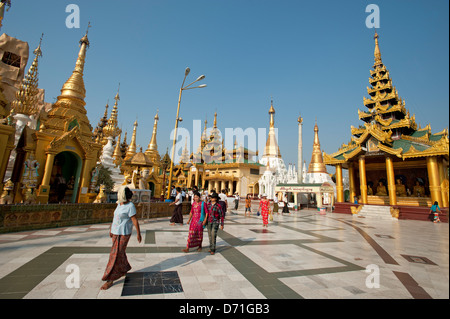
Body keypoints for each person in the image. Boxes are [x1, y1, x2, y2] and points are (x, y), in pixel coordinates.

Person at [101, 186, 142, 290]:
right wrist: (111, 229)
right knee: (120, 252)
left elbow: (134, 220)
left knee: (115, 254)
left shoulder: (130, 206)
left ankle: (110, 279)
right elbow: (115, 217)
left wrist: (138, 233)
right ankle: (124, 268)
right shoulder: (119, 204)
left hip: (124, 233)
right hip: (115, 232)